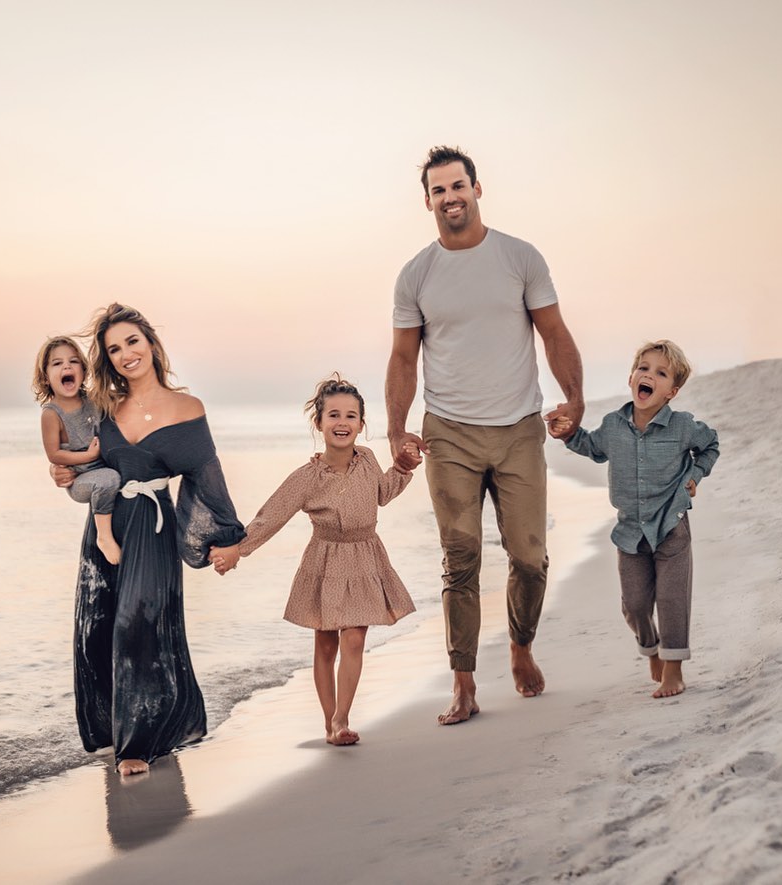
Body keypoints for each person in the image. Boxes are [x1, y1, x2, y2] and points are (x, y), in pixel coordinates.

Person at [386, 145, 584, 725]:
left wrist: (573, 398)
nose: (450, 197)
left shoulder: (519, 258)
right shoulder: (415, 275)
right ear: (427, 201)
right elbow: (403, 359)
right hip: (448, 433)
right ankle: (464, 681)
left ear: (477, 188)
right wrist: (397, 430)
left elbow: (553, 332)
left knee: (529, 555)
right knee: (461, 556)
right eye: (439, 190)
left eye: (458, 186)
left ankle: (520, 644)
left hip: (519, 427)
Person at [51, 303, 246, 776]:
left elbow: (205, 477)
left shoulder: (188, 409)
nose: (124, 355)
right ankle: (112, 731)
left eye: (131, 342)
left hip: (153, 529)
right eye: (113, 349)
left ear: (152, 344)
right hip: (106, 529)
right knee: (98, 629)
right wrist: (63, 469)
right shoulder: (103, 408)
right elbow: (82, 458)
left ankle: (138, 743)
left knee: (137, 626)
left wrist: (226, 539)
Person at [211, 374, 418, 746]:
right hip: (326, 560)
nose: (343, 423)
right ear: (319, 423)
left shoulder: (368, 460)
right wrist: (237, 550)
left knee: (354, 639)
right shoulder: (307, 477)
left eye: (351, 416)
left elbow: (383, 494)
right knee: (326, 644)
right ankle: (329, 722)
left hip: (366, 555)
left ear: (361, 424)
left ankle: (341, 719)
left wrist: (403, 467)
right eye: (334, 415)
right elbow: (270, 516)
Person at [548, 339, 719, 698]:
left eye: (660, 373)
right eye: (643, 368)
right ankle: (651, 646)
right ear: (630, 378)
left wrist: (696, 474)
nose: (649, 376)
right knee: (635, 605)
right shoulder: (613, 426)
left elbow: (711, 444)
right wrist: (568, 433)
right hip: (629, 532)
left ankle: (674, 670)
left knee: (672, 600)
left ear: (671, 392)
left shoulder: (683, 427)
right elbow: (592, 448)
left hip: (672, 526)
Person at [33, 335, 122, 565]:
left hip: (102, 470)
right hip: (80, 480)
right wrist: (88, 456)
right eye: (57, 363)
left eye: (73, 361)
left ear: (83, 370)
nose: (66, 366)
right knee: (108, 479)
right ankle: (104, 537)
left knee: (111, 478)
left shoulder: (94, 400)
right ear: (46, 376)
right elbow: (54, 454)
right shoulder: (51, 414)